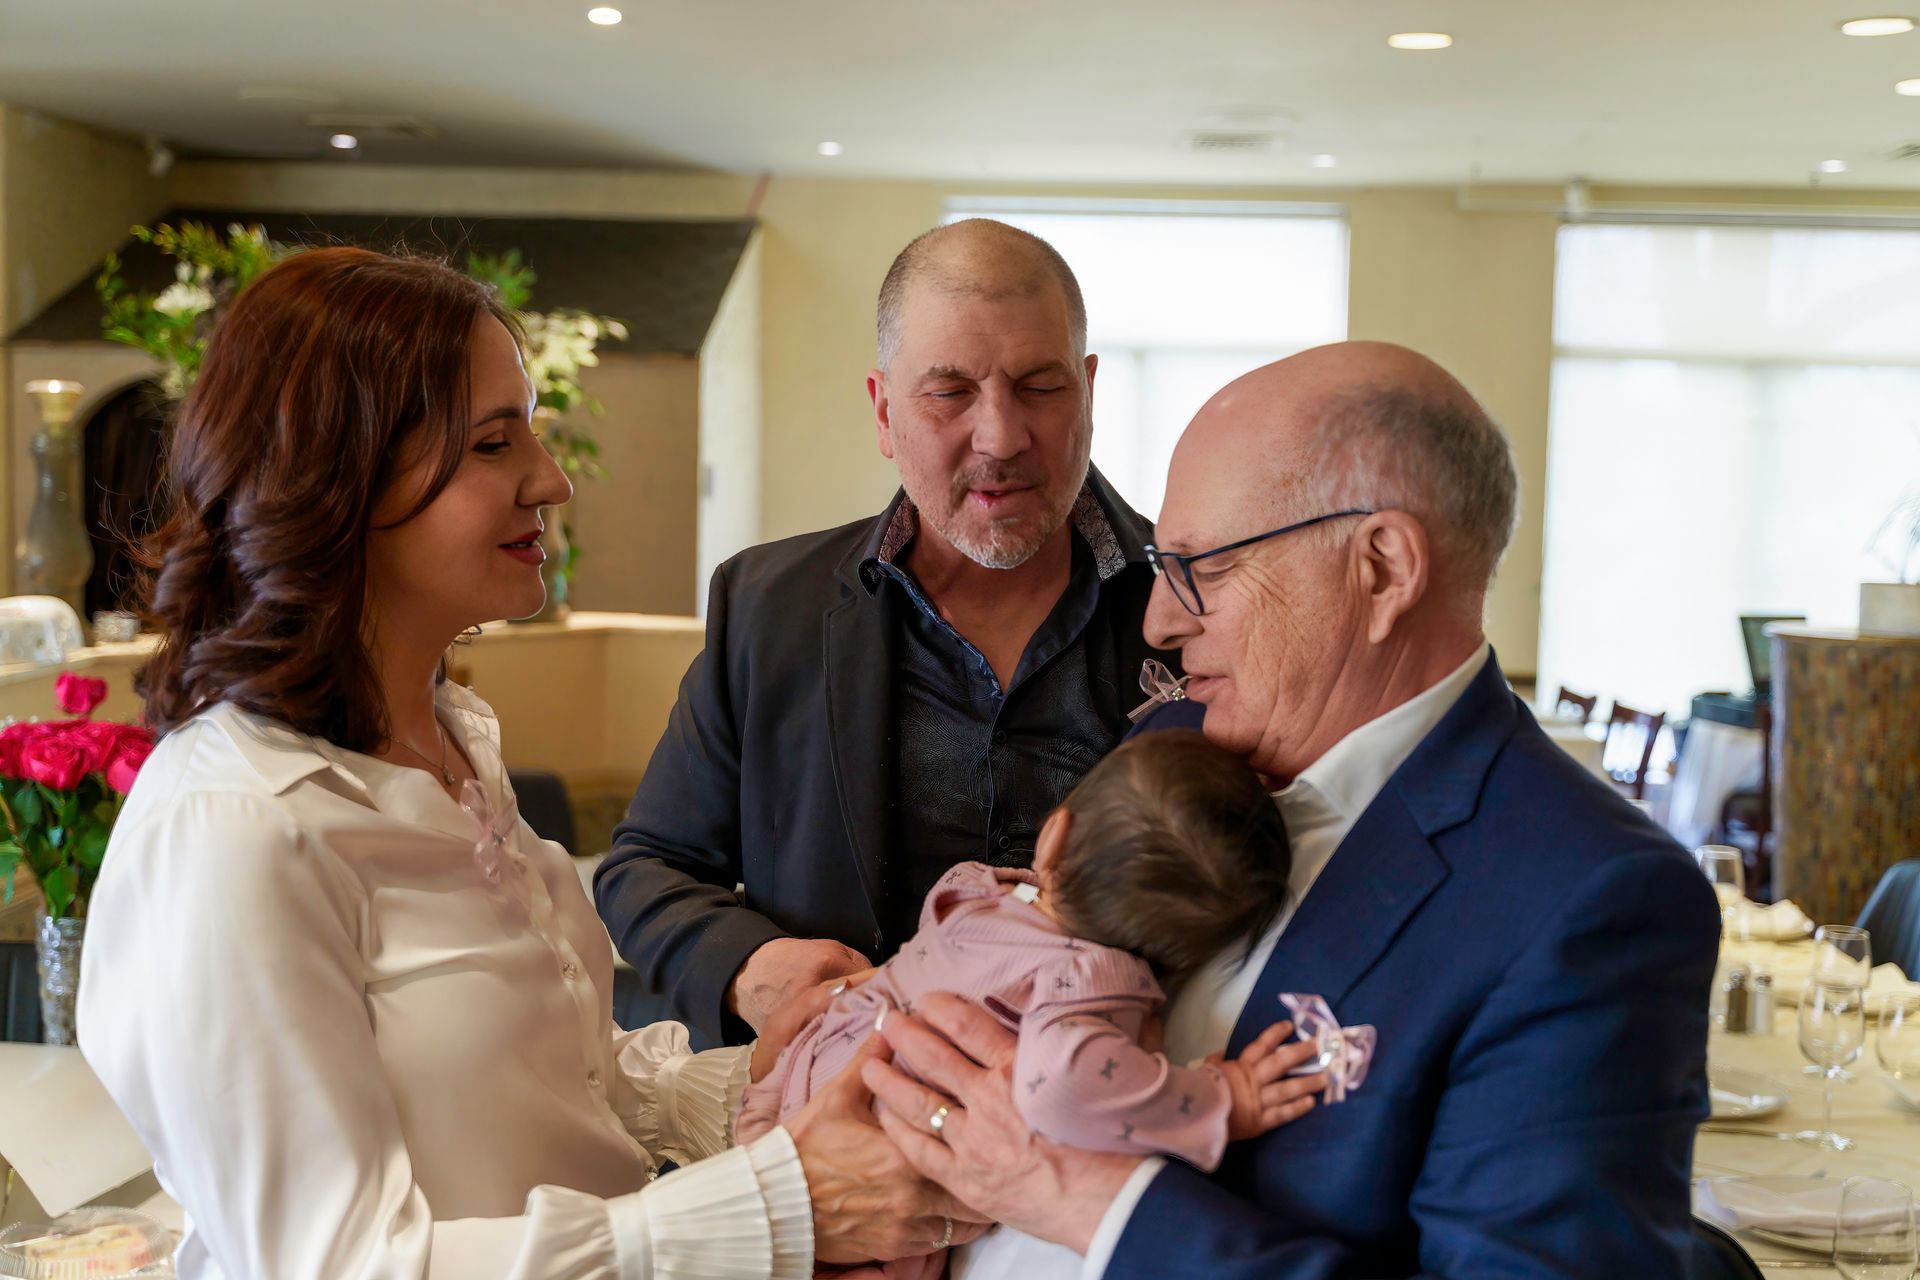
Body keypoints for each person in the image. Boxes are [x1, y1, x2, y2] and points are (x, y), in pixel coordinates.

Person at [76, 247, 981, 1280]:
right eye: (494, 443)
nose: (549, 479)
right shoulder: (235, 826)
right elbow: (337, 1262)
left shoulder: (454, 744)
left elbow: (566, 1087)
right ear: (338, 478)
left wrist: (765, 1078)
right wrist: (780, 1204)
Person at [859, 341, 1723, 1278]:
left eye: (1205, 570)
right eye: (1162, 565)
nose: (1158, 621)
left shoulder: (1586, 900)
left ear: (1383, 568)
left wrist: (1081, 1199)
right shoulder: (1177, 737)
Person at [597, 219, 1174, 1048]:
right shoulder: (769, 608)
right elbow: (647, 866)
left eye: (1040, 386)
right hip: (830, 1121)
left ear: (1087, 388)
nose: (1001, 437)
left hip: (1118, 1118)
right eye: (950, 392)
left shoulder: (1197, 603)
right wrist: (751, 969)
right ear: (883, 409)